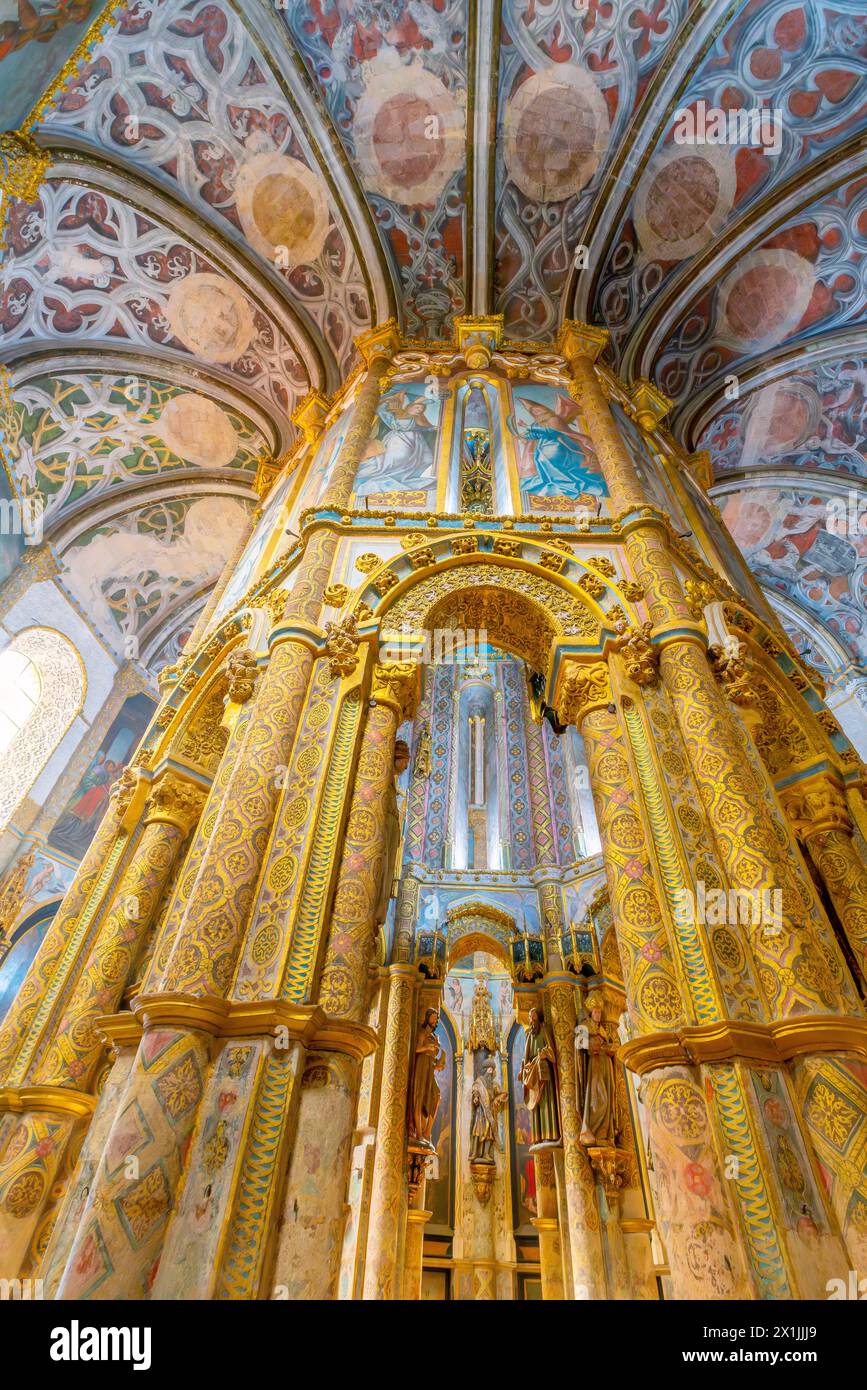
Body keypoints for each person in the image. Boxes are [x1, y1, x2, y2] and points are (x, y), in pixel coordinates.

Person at [575, 990, 619, 1146]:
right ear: (590, 1013)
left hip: (606, 1064)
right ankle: (591, 1130)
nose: (599, 1015)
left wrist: (610, 1048)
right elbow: (579, 1043)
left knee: (610, 1094)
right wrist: (592, 1046)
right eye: (596, 1012)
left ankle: (604, 1134)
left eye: (600, 1012)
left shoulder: (603, 1030)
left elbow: (608, 1044)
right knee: (598, 1099)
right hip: (594, 1065)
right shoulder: (585, 1025)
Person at [521, 1006, 560, 1146]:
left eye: (533, 1017)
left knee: (546, 1102)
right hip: (533, 1074)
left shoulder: (543, 1030)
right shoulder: (529, 1035)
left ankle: (551, 1133)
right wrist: (526, 1066)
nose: (531, 1020)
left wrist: (545, 1054)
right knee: (536, 1104)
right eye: (530, 1018)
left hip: (543, 1073)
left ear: (538, 1018)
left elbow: (551, 1050)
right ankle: (539, 1136)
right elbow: (526, 1058)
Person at [407, 1007, 445, 1149]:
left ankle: (427, 1131)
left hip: (430, 1067)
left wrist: (438, 1064)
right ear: (427, 1018)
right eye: (433, 1018)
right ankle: (418, 1134)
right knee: (419, 1097)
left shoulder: (435, 1037)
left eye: (436, 1019)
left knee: (436, 1096)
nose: (435, 1021)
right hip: (421, 1067)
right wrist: (428, 1048)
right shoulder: (422, 1033)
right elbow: (416, 1049)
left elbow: (433, 1058)